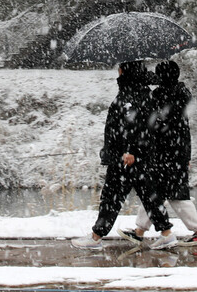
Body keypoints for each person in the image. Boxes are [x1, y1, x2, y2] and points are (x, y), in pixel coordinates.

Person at [71, 60, 177, 250]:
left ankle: (96, 237)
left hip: (126, 158)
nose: (117, 71)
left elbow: (134, 127)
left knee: (111, 197)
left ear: (126, 71)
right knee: (149, 196)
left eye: (120, 68)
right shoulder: (140, 93)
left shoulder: (132, 95)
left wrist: (130, 151)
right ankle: (166, 233)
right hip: (134, 157)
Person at [119, 59, 197, 247]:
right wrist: (186, 156)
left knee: (175, 196)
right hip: (176, 152)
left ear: (163, 76)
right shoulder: (181, 94)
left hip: (165, 153)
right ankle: (139, 231)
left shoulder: (163, 96)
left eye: (158, 74)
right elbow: (182, 130)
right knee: (154, 194)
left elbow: (154, 124)